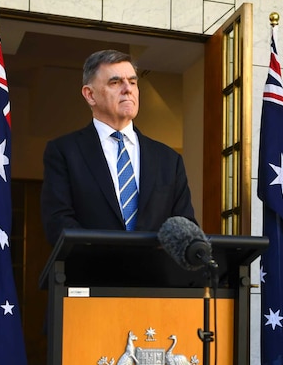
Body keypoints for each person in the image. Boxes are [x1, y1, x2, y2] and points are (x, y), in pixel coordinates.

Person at [40, 49, 196, 245]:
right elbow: (58, 223)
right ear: (90, 95)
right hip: (91, 272)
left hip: (153, 274)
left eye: (132, 82)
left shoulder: (169, 160)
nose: (127, 89)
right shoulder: (64, 152)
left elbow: (185, 225)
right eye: (115, 82)